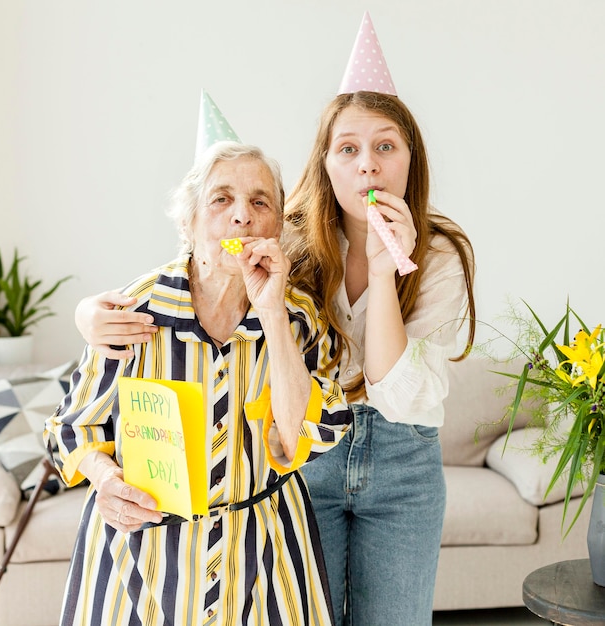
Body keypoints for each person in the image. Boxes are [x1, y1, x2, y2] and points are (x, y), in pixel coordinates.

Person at [73, 13, 476, 626]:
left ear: (409, 161)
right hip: (309, 461)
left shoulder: (440, 254)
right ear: (326, 165)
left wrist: (384, 265)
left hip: (402, 456)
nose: (367, 165)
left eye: (385, 146)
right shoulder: (288, 245)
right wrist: (86, 316)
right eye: (348, 150)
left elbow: (395, 387)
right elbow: (203, 273)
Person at [45, 141, 351, 626]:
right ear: (187, 223)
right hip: (142, 558)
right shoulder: (133, 311)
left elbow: (300, 438)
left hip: (264, 555)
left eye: (259, 202)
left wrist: (271, 310)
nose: (241, 218)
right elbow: (71, 430)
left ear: (276, 225)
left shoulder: (298, 319)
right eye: (221, 199)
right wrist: (106, 482)